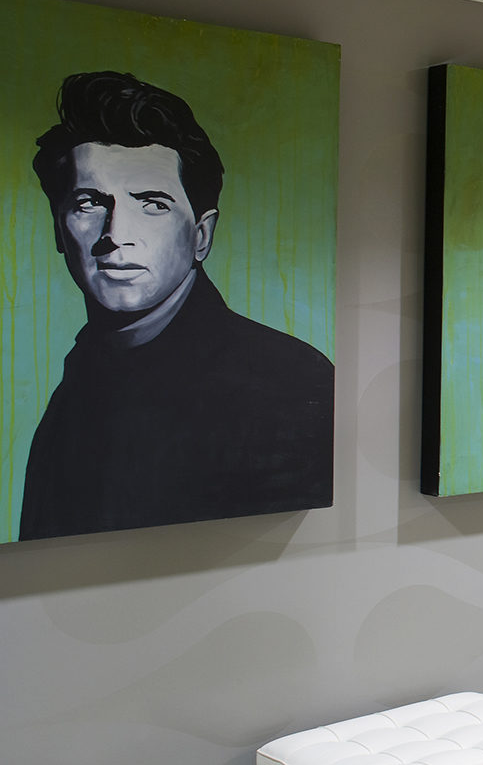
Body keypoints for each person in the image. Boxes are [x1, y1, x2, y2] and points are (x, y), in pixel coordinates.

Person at [19, 71, 334, 539]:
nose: (114, 236)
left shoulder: (289, 381)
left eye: (151, 203)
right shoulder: (85, 373)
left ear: (201, 235)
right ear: (58, 231)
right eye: (88, 203)